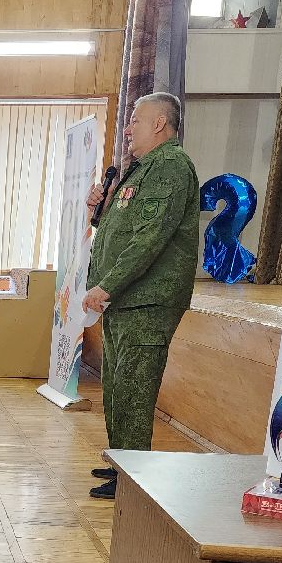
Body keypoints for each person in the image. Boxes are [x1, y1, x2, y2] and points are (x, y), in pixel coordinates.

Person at [82, 92, 199, 500]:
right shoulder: (140, 170)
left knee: (133, 388)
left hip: (147, 300)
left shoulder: (170, 167)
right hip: (127, 299)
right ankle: (123, 465)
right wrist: (101, 204)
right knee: (116, 387)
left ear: (159, 125)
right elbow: (117, 231)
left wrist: (106, 285)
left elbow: (150, 238)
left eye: (135, 120)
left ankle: (133, 480)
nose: (127, 128)